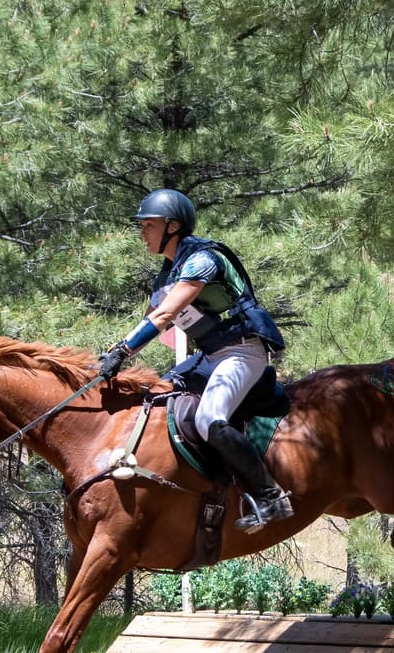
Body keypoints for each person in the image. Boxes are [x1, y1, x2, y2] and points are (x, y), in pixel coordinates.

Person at [98, 188, 294, 532]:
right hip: (212, 356)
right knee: (159, 400)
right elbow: (150, 319)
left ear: (173, 226)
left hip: (243, 349)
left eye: (149, 224)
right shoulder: (167, 273)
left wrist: (121, 352)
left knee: (208, 418)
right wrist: (115, 353)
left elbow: (164, 316)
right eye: (142, 225)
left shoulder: (203, 259)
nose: (142, 231)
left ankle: (270, 496)